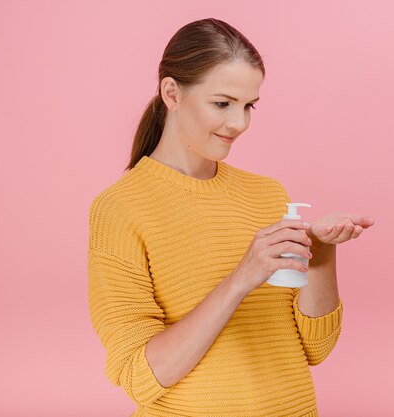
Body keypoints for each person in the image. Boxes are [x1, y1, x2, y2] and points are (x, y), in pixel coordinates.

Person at [87, 17, 374, 417]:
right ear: (172, 92)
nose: (239, 123)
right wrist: (242, 278)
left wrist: (321, 254)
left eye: (248, 105)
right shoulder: (120, 208)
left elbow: (315, 348)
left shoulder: (267, 194)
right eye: (222, 104)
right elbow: (140, 375)